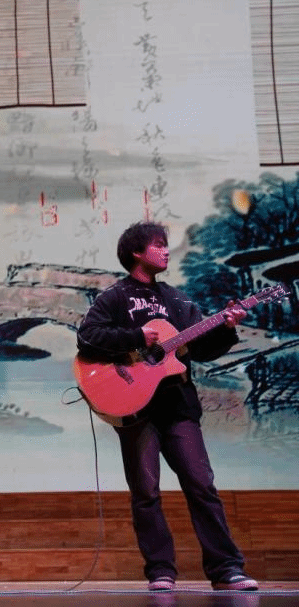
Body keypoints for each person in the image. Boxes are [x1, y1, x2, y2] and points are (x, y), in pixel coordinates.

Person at [76, 221, 258, 592]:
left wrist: (226, 327)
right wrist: (136, 336)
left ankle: (226, 570)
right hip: (134, 409)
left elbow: (202, 350)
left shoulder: (179, 301)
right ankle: (160, 570)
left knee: (201, 485)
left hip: (179, 407)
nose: (165, 250)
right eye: (158, 244)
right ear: (136, 252)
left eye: (165, 244)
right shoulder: (114, 297)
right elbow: (87, 338)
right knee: (146, 492)